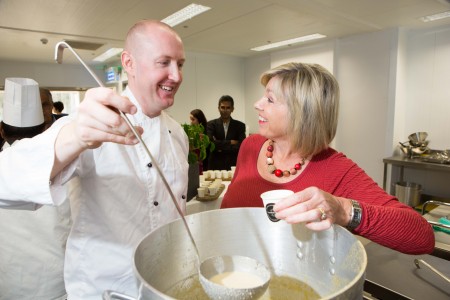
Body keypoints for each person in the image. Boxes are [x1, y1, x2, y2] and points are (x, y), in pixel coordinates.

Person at [0, 20, 188, 299]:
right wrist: (75, 136)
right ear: (129, 63)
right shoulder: (90, 123)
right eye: (164, 62)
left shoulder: (177, 134)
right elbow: (6, 183)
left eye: (180, 64)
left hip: (162, 285)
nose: (176, 75)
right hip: (104, 289)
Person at [220, 62, 435, 255]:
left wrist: (344, 210)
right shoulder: (250, 146)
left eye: (269, 99)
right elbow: (227, 213)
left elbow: (422, 236)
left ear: (302, 113)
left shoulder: (337, 169)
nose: (257, 104)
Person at [0, 78, 71, 300]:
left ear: (1, 131)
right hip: (60, 282)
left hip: (9, 283)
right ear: (47, 127)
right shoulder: (67, 169)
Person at [206, 95, 246, 170]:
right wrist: (230, 142)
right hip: (215, 165)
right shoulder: (210, 124)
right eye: (222, 107)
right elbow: (211, 144)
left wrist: (219, 146)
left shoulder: (240, 126)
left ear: (232, 109)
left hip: (233, 165)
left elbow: (241, 145)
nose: (225, 110)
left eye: (228, 108)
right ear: (218, 108)